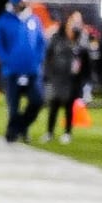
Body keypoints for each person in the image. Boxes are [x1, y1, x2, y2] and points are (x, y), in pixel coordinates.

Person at [0, 0, 48, 144]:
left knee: (37, 101)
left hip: (32, 70)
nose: (25, 4)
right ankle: (12, 134)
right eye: (22, 2)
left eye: (26, 1)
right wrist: (6, 60)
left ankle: (19, 127)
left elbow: (41, 42)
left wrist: (38, 60)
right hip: (12, 71)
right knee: (13, 105)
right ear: (15, 2)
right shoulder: (3, 21)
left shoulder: (34, 20)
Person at [42, 10, 90, 144]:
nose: (75, 23)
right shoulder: (57, 36)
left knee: (69, 106)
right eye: (74, 20)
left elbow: (86, 61)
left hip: (72, 79)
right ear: (68, 20)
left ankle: (67, 133)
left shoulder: (82, 38)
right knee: (54, 104)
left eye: (78, 20)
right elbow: (48, 55)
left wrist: (84, 79)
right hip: (57, 76)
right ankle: (49, 132)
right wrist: (48, 73)